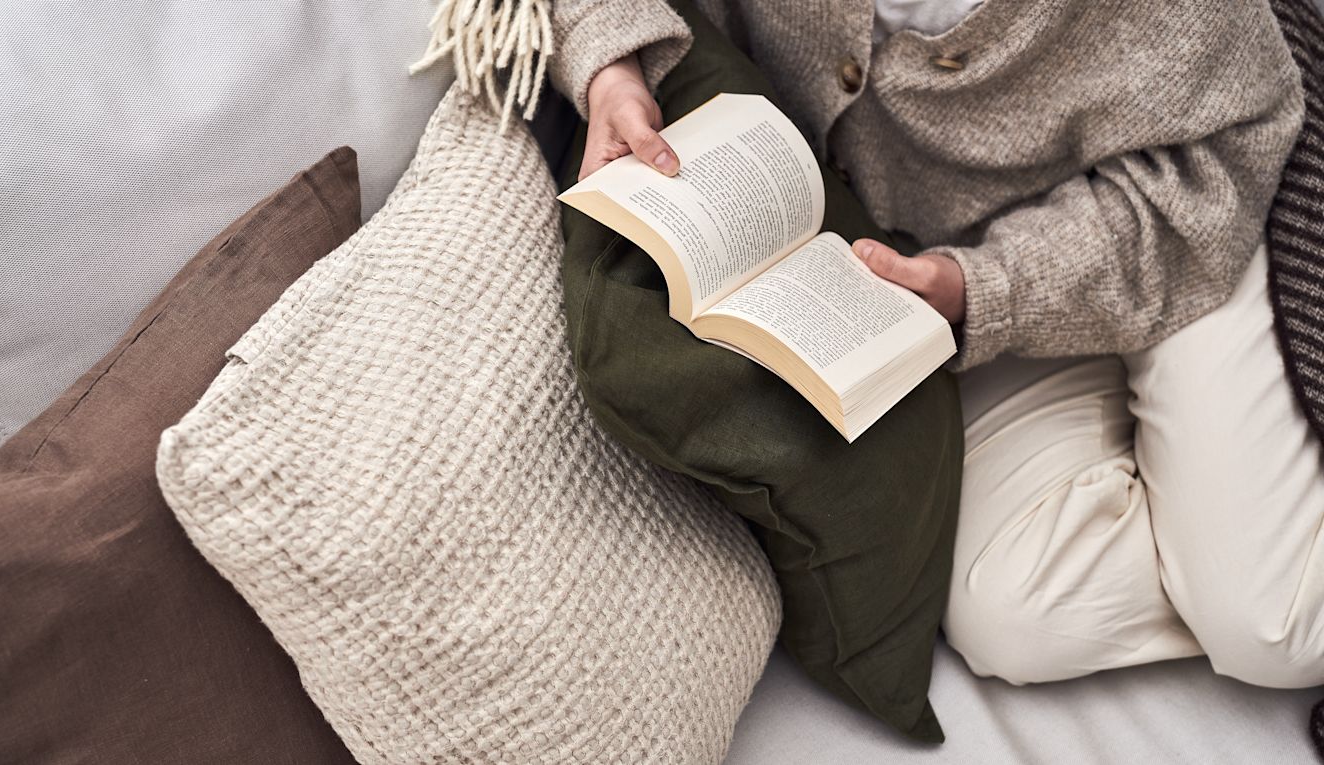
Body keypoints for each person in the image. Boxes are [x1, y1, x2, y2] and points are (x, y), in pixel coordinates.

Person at [550, 0, 1324, 688]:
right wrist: (611, 59)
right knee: (1012, 615)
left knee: (1269, 625)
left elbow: (1223, 153)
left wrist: (994, 289)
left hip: (1191, 222)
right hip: (955, 280)